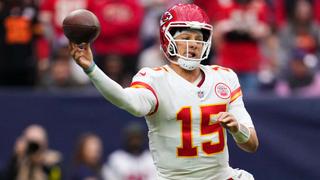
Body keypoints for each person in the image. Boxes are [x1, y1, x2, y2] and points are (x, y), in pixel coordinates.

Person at [69, 3, 259, 180]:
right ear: (168, 40)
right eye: (186, 38)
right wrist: (92, 69)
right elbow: (128, 101)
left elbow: (251, 144)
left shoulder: (224, 77)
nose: (193, 44)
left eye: (198, 38)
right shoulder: (155, 79)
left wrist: (237, 129)